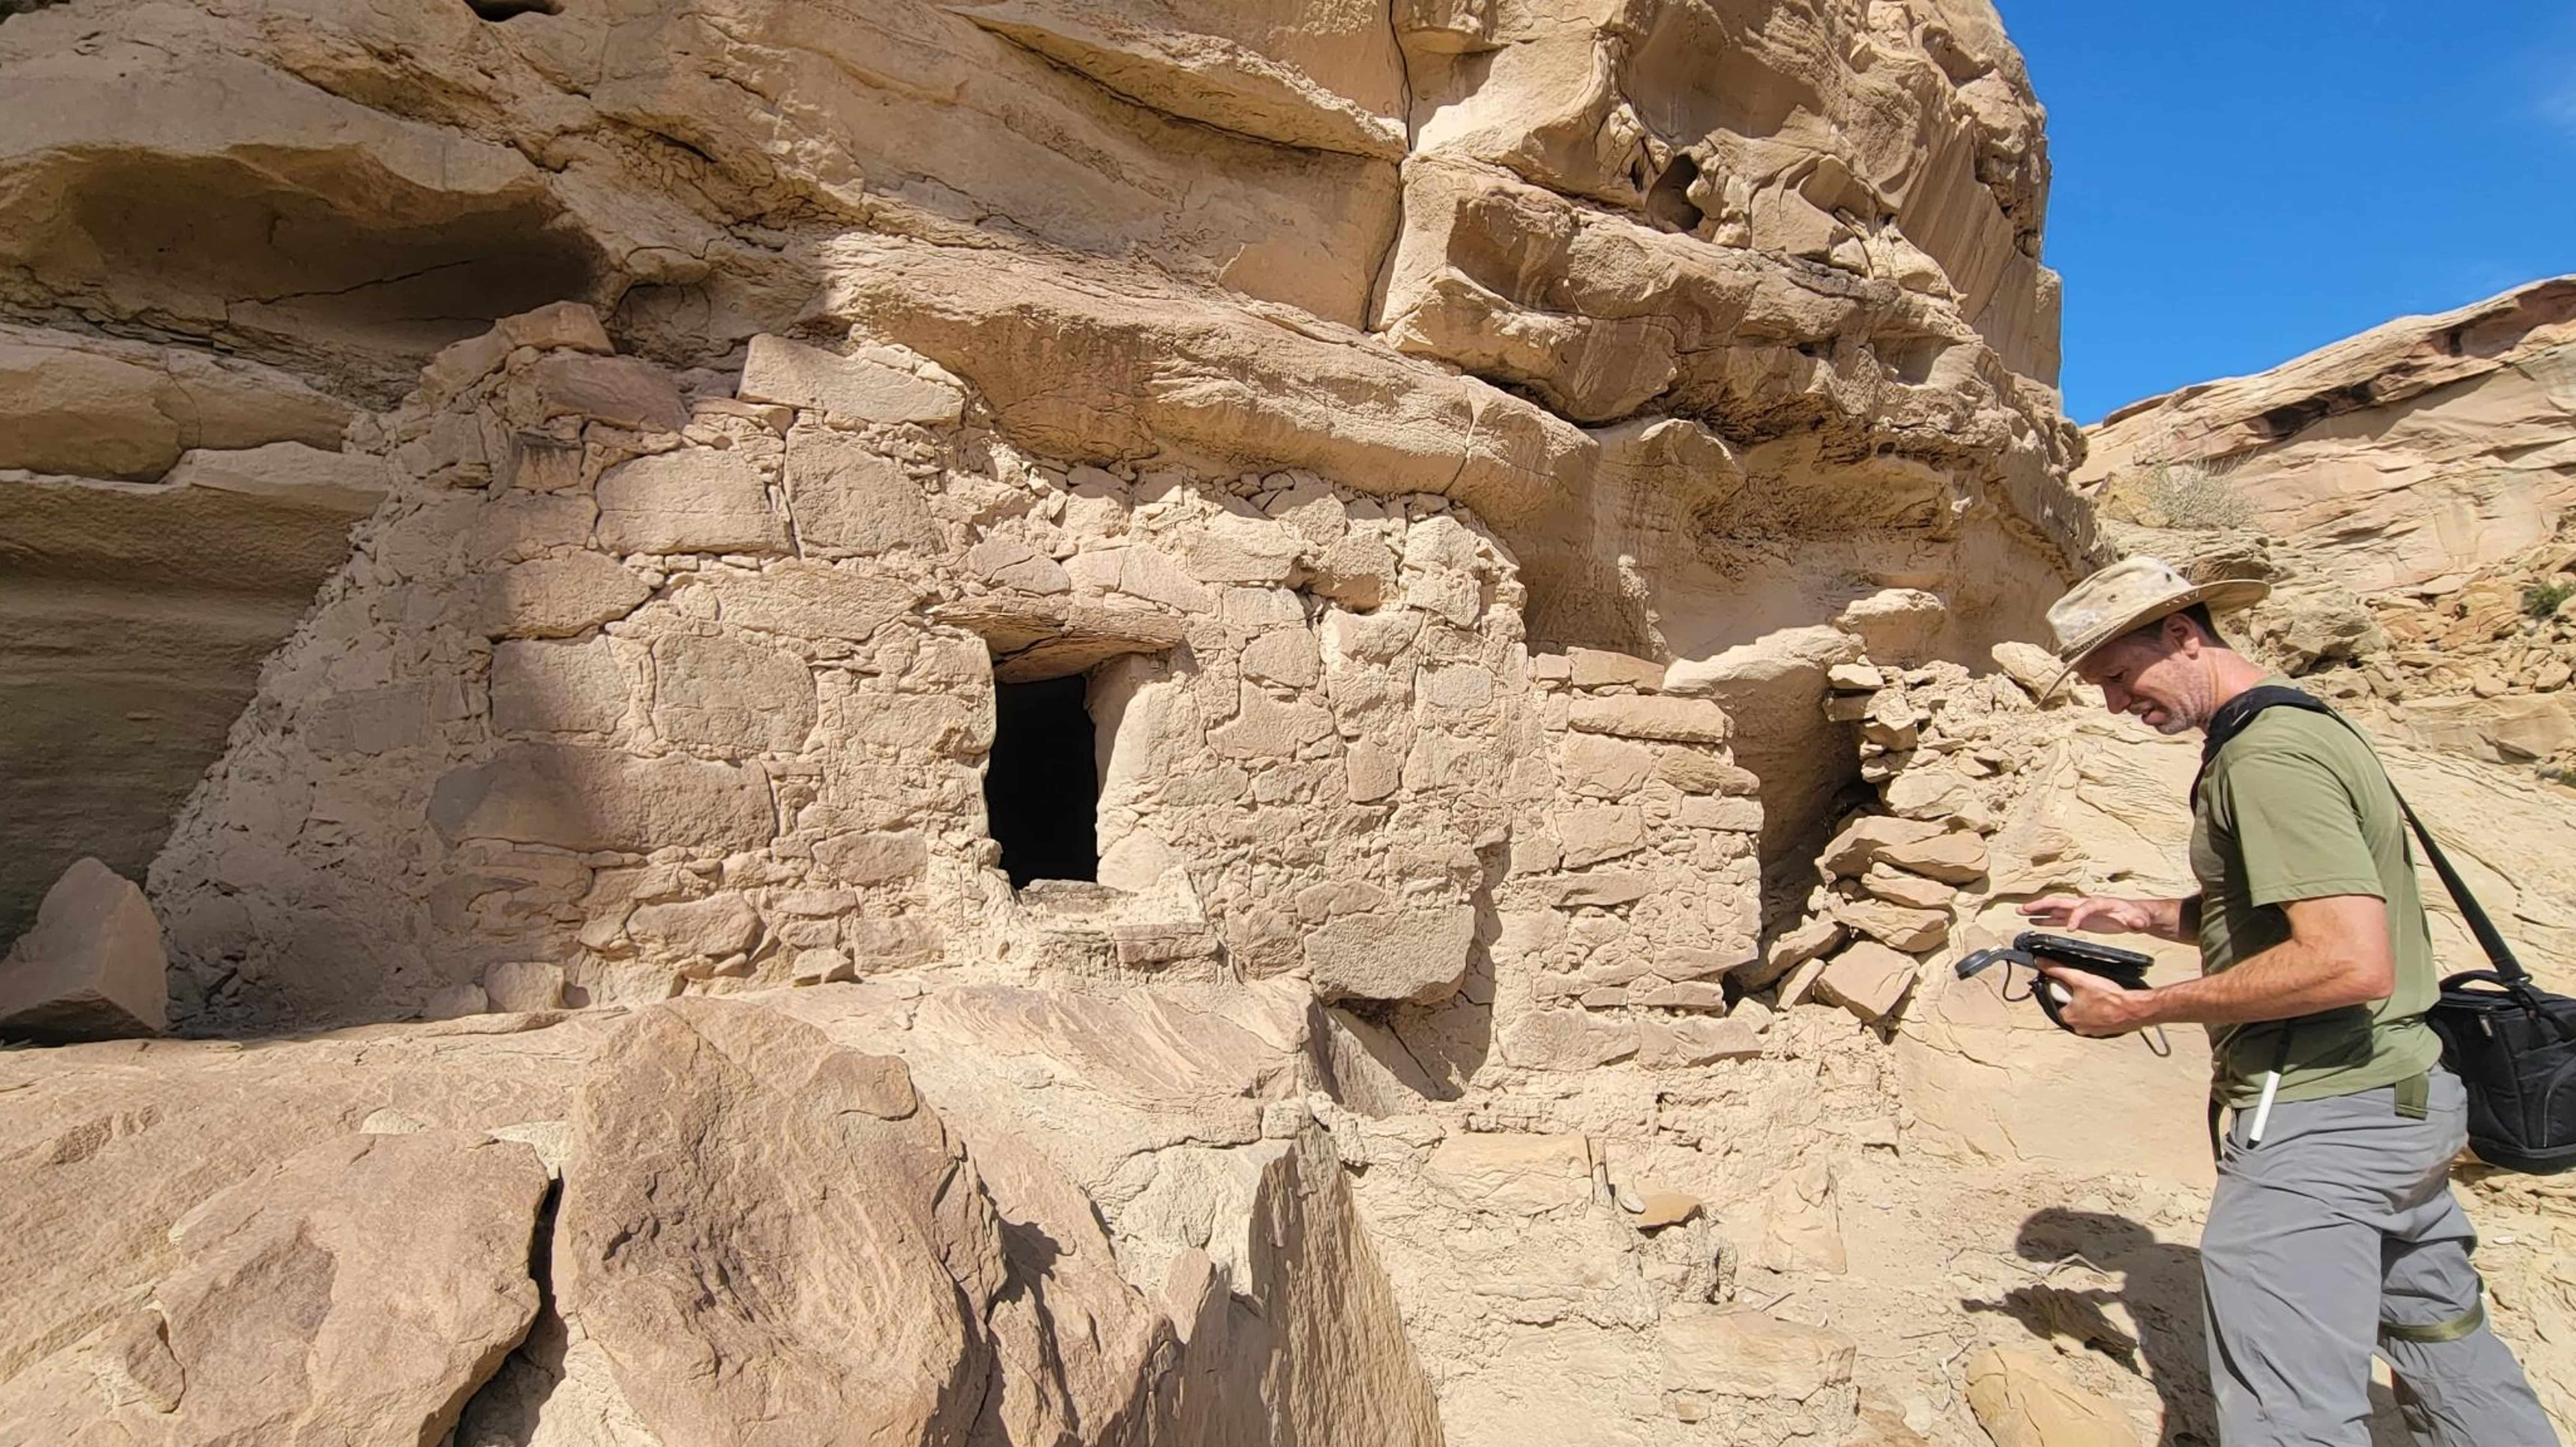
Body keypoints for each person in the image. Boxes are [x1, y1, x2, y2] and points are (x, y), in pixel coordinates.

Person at [2013, 556, 2559, 1447]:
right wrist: (2140, 914)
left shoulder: (2264, 758)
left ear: (2183, 636)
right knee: (2442, 1342)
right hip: (2400, 1102)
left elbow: (2347, 962)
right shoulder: (2301, 722)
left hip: (2323, 1119)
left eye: (2117, 676)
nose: (2114, 703)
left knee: (2285, 1411)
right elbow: (2290, 906)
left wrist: (2137, 1011)